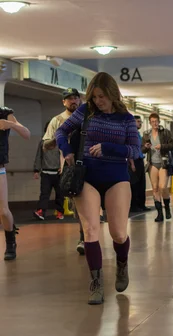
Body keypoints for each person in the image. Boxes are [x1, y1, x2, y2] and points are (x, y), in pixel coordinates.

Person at [56, 72, 141, 305]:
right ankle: (96, 282)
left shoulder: (126, 119)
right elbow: (61, 131)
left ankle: (122, 263)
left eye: (102, 97)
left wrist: (109, 148)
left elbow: (135, 151)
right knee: (91, 230)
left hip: (116, 177)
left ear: (113, 94)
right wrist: (67, 150)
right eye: (94, 97)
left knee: (118, 233)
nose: (98, 101)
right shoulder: (86, 112)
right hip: (88, 176)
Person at [43, 88, 85, 254]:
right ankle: (84, 236)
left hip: (89, 164)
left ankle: (88, 236)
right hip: (70, 168)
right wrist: (61, 138)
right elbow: (45, 145)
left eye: (76, 98)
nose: (73, 101)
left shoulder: (87, 117)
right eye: (69, 99)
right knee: (78, 206)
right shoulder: (58, 120)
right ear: (64, 102)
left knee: (89, 203)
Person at [0, 107, 31, 260]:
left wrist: (10, 124)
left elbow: (27, 134)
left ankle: (10, 242)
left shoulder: (4, 113)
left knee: (3, 211)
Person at [142, 113, 173, 222]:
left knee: (162, 187)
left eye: (156, 121)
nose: (155, 123)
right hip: (152, 163)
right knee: (155, 188)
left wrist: (162, 146)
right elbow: (142, 149)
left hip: (163, 162)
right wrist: (146, 147)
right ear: (150, 123)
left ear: (159, 121)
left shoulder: (165, 133)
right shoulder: (146, 134)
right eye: (152, 122)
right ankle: (159, 213)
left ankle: (167, 208)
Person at [33, 132, 64, 220]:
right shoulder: (43, 143)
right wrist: (36, 170)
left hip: (58, 173)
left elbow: (64, 155)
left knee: (60, 194)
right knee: (44, 194)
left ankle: (60, 212)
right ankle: (41, 211)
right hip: (46, 173)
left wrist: (63, 167)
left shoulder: (60, 141)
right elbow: (39, 156)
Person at [129, 115, 150, 212]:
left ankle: (142, 204)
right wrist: (132, 164)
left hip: (141, 160)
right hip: (134, 161)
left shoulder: (138, 134)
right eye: (138, 121)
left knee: (142, 184)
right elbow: (130, 149)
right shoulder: (130, 134)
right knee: (135, 184)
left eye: (140, 121)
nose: (140, 123)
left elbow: (139, 149)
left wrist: (145, 147)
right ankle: (134, 205)